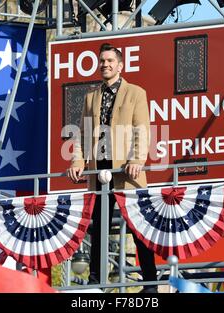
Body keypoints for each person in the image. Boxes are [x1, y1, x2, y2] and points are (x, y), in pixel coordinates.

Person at [66, 43, 158, 293]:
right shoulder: (90, 97)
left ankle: (150, 284)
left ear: (120, 65)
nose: (105, 64)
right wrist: (77, 162)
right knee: (99, 226)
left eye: (110, 61)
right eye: (102, 61)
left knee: (139, 228)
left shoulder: (136, 93)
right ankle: (96, 281)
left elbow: (142, 129)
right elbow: (83, 135)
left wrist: (137, 160)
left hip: (128, 173)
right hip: (99, 173)